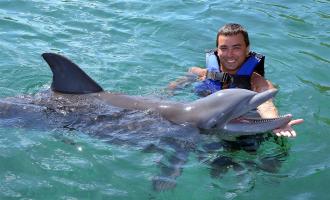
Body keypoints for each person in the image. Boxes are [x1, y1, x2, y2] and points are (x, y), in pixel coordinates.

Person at [168, 23, 303, 137]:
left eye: (236, 48)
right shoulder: (205, 73)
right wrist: (168, 91)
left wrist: (275, 123)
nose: (230, 54)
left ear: (247, 49)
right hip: (197, 126)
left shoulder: (257, 82)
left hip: (237, 130)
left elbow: (266, 104)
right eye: (224, 48)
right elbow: (181, 80)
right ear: (217, 50)